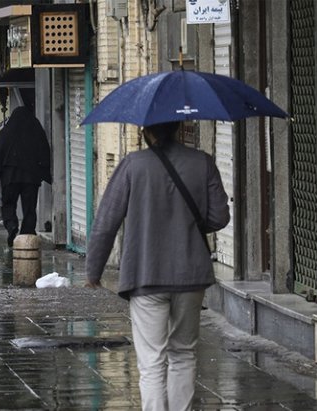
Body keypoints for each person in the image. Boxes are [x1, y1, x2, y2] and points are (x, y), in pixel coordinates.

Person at [85, 121, 230, 411]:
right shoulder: (203, 163)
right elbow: (219, 218)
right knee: (184, 353)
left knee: (151, 361)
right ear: (177, 128)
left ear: (147, 131)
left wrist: (94, 271)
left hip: (145, 274)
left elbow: (105, 222)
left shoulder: (132, 165)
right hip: (190, 274)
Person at [0, 102, 52, 247]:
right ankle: (27, 233)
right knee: (29, 207)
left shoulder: (6, 132)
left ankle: (11, 226)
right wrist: (45, 172)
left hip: (9, 177)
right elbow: (44, 151)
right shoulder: (36, 130)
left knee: (9, 204)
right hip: (31, 177)